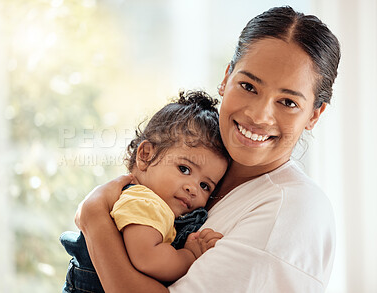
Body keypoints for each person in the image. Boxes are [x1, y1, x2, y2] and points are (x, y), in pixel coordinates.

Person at [74, 6, 341, 292]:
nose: (259, 115)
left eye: (288, 102)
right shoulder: (205, 165)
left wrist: (95, 218)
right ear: (226, 78)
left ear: (314, 115)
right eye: (249, 86)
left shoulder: (291, 212)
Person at [61, 90, 229, 292]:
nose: (192, 188)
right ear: (146, 155)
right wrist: (189, 256)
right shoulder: (144, 202)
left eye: (205, 186)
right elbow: (148, 259)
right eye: (184, 169)